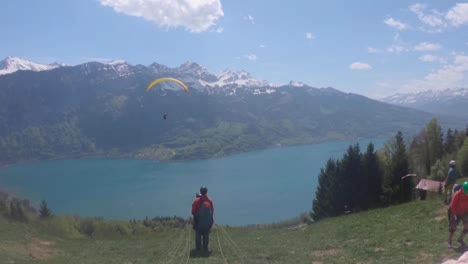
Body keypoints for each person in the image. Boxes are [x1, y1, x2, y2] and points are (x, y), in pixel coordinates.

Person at [191, 186, 214, 252]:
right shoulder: (210, 201)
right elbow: (212, 212)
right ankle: (205, 248)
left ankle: (198, 249)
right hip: (208, 223)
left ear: (200, 192)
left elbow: (193, 212)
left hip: (199, 223)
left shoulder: (196, 200)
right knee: (206, 234)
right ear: (206, 192)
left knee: (198, 234)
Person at [448, 182, 468, 249]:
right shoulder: (457, 194)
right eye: (466, 192)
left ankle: (460, 239)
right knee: (453, 227)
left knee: (467, 226)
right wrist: (454, 215)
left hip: (465, 212)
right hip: (455, 212)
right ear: (463, 189)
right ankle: (449, 242)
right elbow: (453, 206)